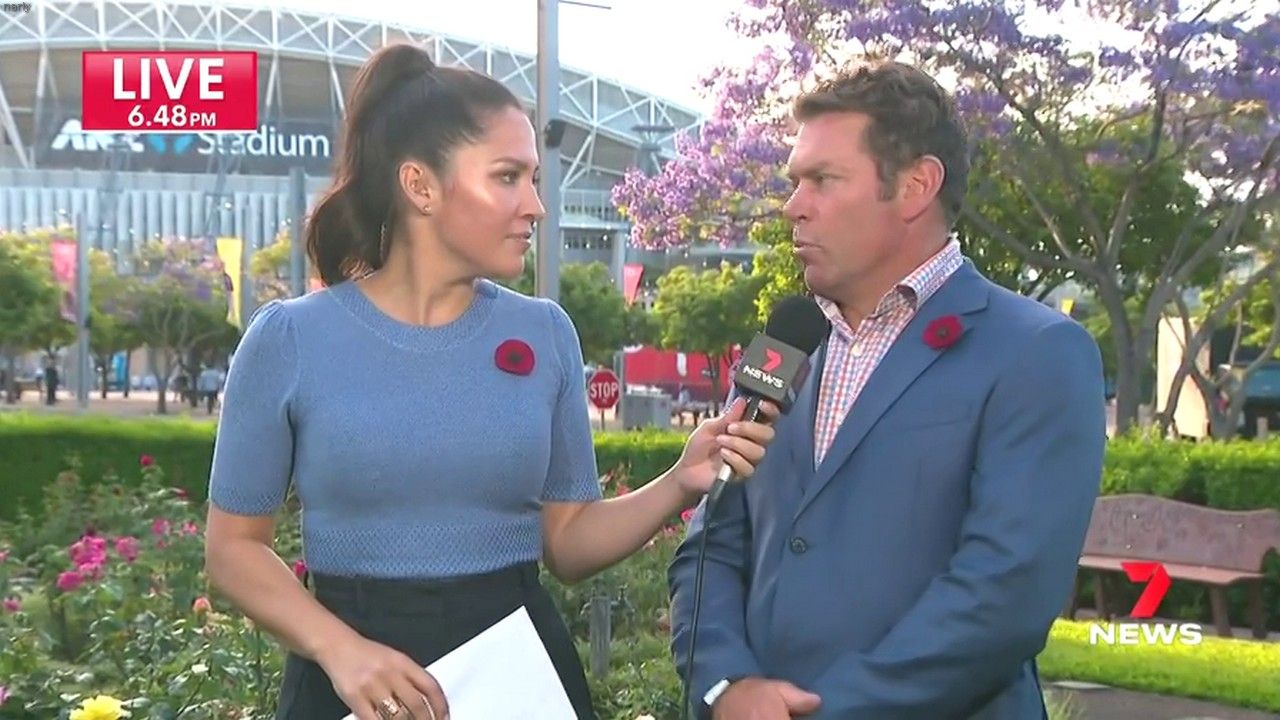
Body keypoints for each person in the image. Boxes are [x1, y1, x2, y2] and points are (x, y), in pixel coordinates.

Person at [203, 43, 780, 720]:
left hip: (519, 679)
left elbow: (568, 543)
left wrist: (680, 480)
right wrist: (340, 650)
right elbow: (233, 549)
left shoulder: (546, 334)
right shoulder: (290, 339)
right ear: (420, 186)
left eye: (534, 178)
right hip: (346, 687)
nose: (535, 205)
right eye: (508, 177)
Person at [668, 60, 1106, 720]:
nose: (793, 206)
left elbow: (1003, 595)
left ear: (915, 186)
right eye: (794, 181)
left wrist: (814, 714)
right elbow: (711, 548)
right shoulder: (784, 349)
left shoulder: (1037, 352)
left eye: (823, 179)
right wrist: (728, 686)